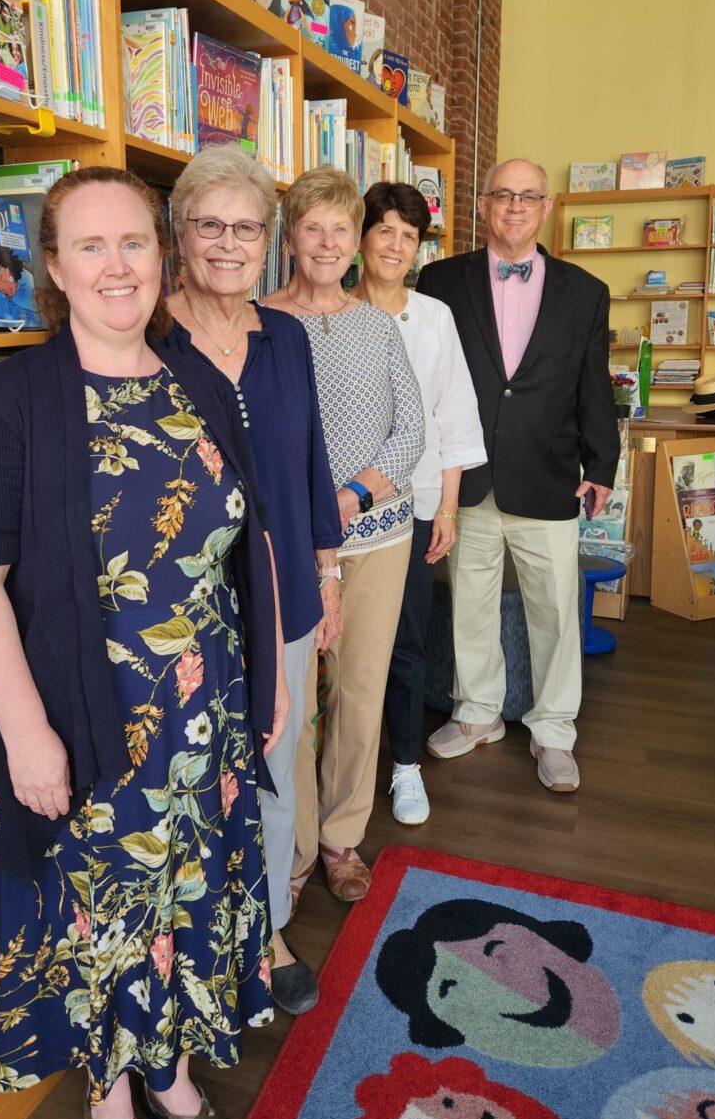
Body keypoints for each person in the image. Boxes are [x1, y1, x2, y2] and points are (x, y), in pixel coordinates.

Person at [0, 165, 290, 1119]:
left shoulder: (194, 379)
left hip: (206, 709)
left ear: (164, 253)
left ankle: (173, 1081)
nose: (115, 265)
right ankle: (107, 1110)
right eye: (88, 246)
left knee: (182, 903)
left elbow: (245, 535)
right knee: (98, 917)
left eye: (133, 242)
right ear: (52, 265)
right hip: (88, 721)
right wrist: (27, 735)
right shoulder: (12, 400)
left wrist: (261, 680)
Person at [159, 145, 343, 1017]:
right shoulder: (144, 340)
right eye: (210, 224)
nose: (228, 243)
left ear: (269, 241)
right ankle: (195, 941)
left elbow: (312, 462)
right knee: (189, 777)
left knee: (274, 762)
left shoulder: (288, 338)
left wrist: (329, 570)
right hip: (183, 608)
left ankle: (265, 928)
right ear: (179, 231)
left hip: (286, 599)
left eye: (246, 227)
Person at [417, 158, 619, 793]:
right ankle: (478, 713)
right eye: (502, 194)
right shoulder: (439, 279)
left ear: (547, 206)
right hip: (468, 475)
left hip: (548, 473)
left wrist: (603, 462)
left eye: (527, 196)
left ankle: (554, 730)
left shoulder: (584, 290)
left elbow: (594, 385)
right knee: (470, 605)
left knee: (556, 610)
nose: (514, 206)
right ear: (483, 204)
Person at [264, 167, 424, 902]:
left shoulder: (378, 325)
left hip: (379, 534)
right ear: (290, 234)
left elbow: (411, 430)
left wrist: (349, 497)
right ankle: (291, 848)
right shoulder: (259, 322)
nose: (327, 243)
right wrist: (310, 514)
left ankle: (340, 838)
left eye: (340, 228)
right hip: (288, 543)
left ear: (355, 240)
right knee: (290, 700)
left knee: (358, 691)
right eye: (313, 227)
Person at [354, 182, 485, 826]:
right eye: (386, 231)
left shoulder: (434, 317)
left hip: (418, 501)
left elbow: (454, 413)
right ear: (362, 236)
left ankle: (405, 765)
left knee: (405, 638)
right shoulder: (331, 312)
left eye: (410, 236)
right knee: (341, 647)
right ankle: (343, 772)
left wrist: (449, 507)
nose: (397, 246)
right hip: (345, 510)